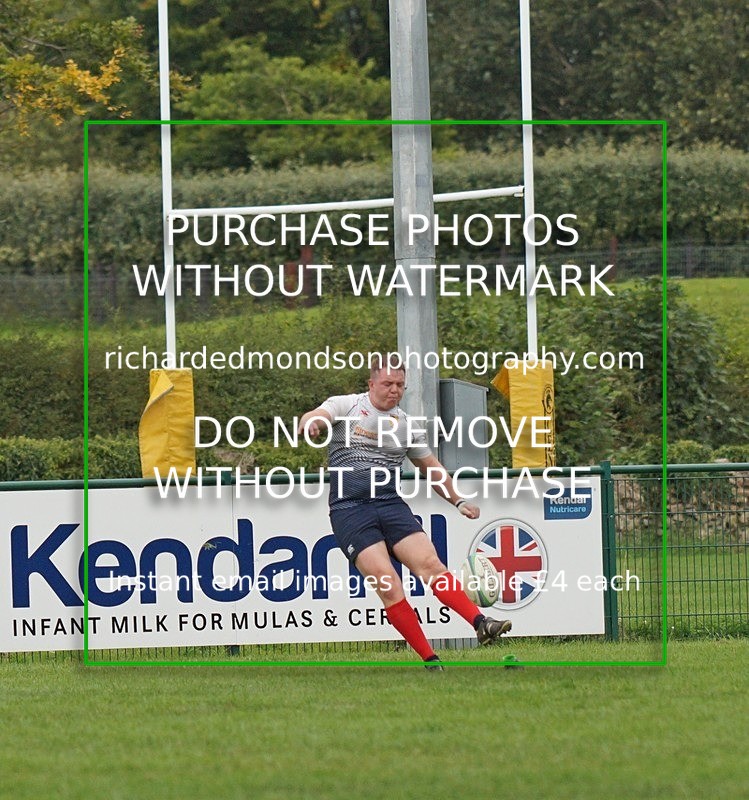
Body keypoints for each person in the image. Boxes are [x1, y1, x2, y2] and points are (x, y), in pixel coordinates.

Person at [298, 353, 511, 669]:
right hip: (350, 510)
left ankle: (481, 623)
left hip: (389, 504)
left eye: (399, 384)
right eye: (387, 383)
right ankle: (430, 658)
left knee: (430, 565)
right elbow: (314, 416)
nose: (394, 390)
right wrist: (313, 423)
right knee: (389, 583)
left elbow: (431, 467)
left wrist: (459, 500)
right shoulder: (346, 406)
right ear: (372, 383)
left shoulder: (407, 426)